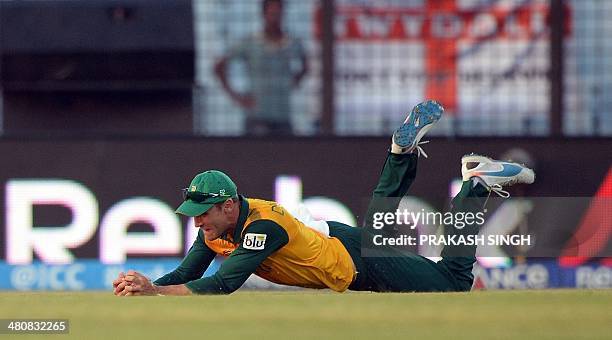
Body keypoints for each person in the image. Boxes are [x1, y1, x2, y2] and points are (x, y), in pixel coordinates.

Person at [112, 100, 535, 296]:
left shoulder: (260, 228)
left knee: (456, 282)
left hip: (354, 265)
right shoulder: (220, 225)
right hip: (335, 240)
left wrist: (155, 293)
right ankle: (400, 153)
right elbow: (189, 272)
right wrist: (145, 287)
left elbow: (223, 284)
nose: (197, 223)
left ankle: (476, 186)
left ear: (227, 206)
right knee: (378, 224)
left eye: (202, 214)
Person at [214, 0, 308, 136]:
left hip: (283, 117)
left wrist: (294, 82)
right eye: (271, 11)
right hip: (257, 118)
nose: (275, 15)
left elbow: (306, 64)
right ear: (263, 13)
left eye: (278, 10)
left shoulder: (292, 42)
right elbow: (220, 65)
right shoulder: (251, 42)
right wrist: (236, 96)